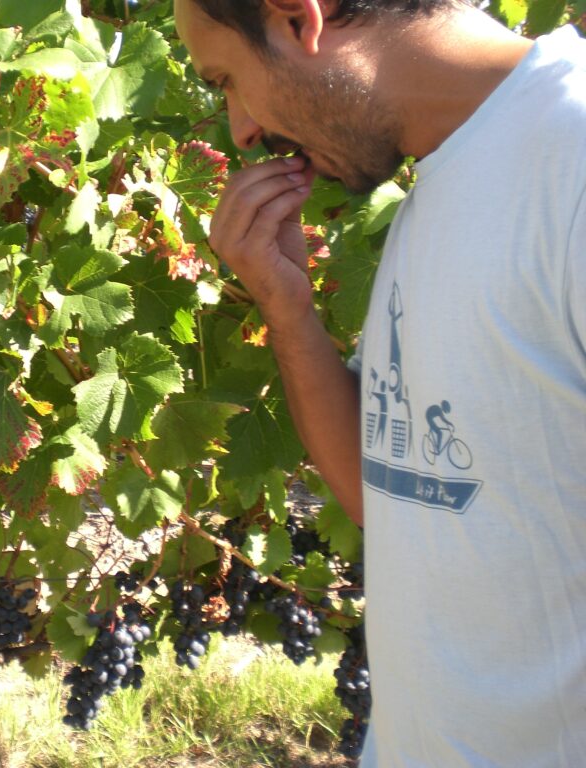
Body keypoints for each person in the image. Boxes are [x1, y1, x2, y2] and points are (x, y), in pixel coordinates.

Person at [174, 0, 586, 765]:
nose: (239, 130)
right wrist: (288, 311)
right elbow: (393, 497)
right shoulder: (445, 179)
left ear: (299, 18)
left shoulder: (572, 158)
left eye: (227, 78)